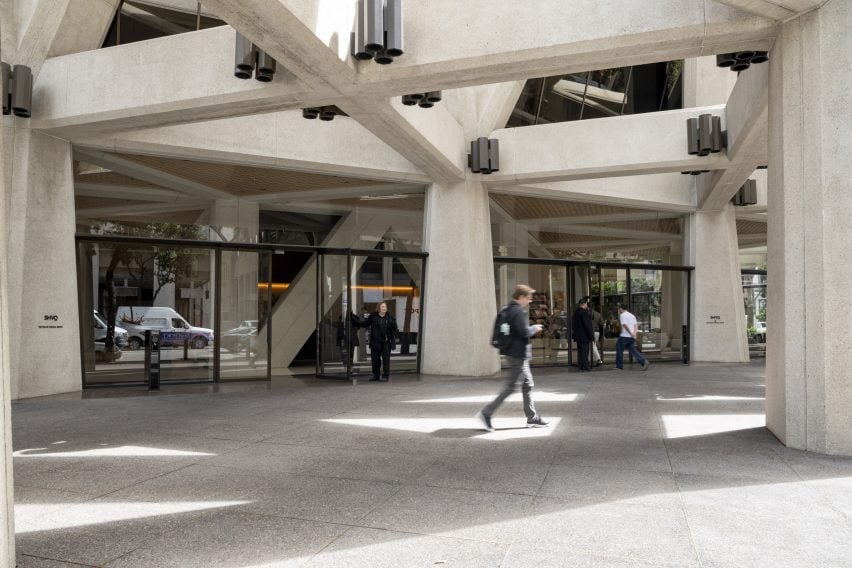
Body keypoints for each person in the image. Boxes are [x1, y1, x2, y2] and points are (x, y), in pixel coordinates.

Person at [477, 284, 549, 431]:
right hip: (517, 355)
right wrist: (534, 328)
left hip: (513, 353)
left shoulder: (508, 309)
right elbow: (523, 332)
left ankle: (532, 418)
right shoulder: (516, 311)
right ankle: (486, 413)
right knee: (511, 387)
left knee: (528, 384)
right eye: (528, 298)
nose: (529, 301)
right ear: (521, 297)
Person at [358, 301, 398, 382]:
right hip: (375, 342)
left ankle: (385, 376)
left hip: (386, 342)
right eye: (382, 307)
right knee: (375, 360)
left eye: (385, 307)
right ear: (379, 308)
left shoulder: (390, 317)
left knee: (386, 360)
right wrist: (354, 320)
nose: (384, 308)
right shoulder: (373, 316)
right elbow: (365, 324)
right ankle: (376, 375)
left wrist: (393, 322)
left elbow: (394, 328)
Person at [615, 305, 650, 371]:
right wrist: (634, 334)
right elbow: (636, 325)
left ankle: (619, 366)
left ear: (621, 308)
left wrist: (630, 333)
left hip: (624, 336)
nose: (619, 310)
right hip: (631, 337)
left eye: (619, 309)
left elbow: (624, 325)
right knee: (633, 350)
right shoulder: (632, 315)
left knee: (619, 349)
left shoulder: (622, 315)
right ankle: (644, 361)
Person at [572, 297, 595, 371]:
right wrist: (591, 336)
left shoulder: (576, 312)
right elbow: (587, 325)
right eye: (586, 304)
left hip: (578, 336)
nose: (587, 306)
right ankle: (585, 366)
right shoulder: (584, 313)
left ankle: (581, 365)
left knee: (580, 351)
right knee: (585, 352)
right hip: (584, 336)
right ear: (584, 304)